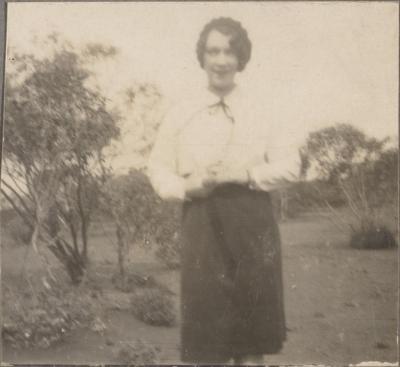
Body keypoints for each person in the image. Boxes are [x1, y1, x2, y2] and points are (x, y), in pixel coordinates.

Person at [147, 17, 300, 365]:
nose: (221, 60)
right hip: (201, 224)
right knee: (206, 341)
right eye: (213, 51)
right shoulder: (181, 112)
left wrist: (243, 173)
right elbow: (157, 169)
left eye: (230, 52)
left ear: (241, 58)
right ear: (201, 56)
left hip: (252, 225)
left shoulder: (263, 110)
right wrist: (188, 186)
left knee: (251, 340)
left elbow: (291, 166)